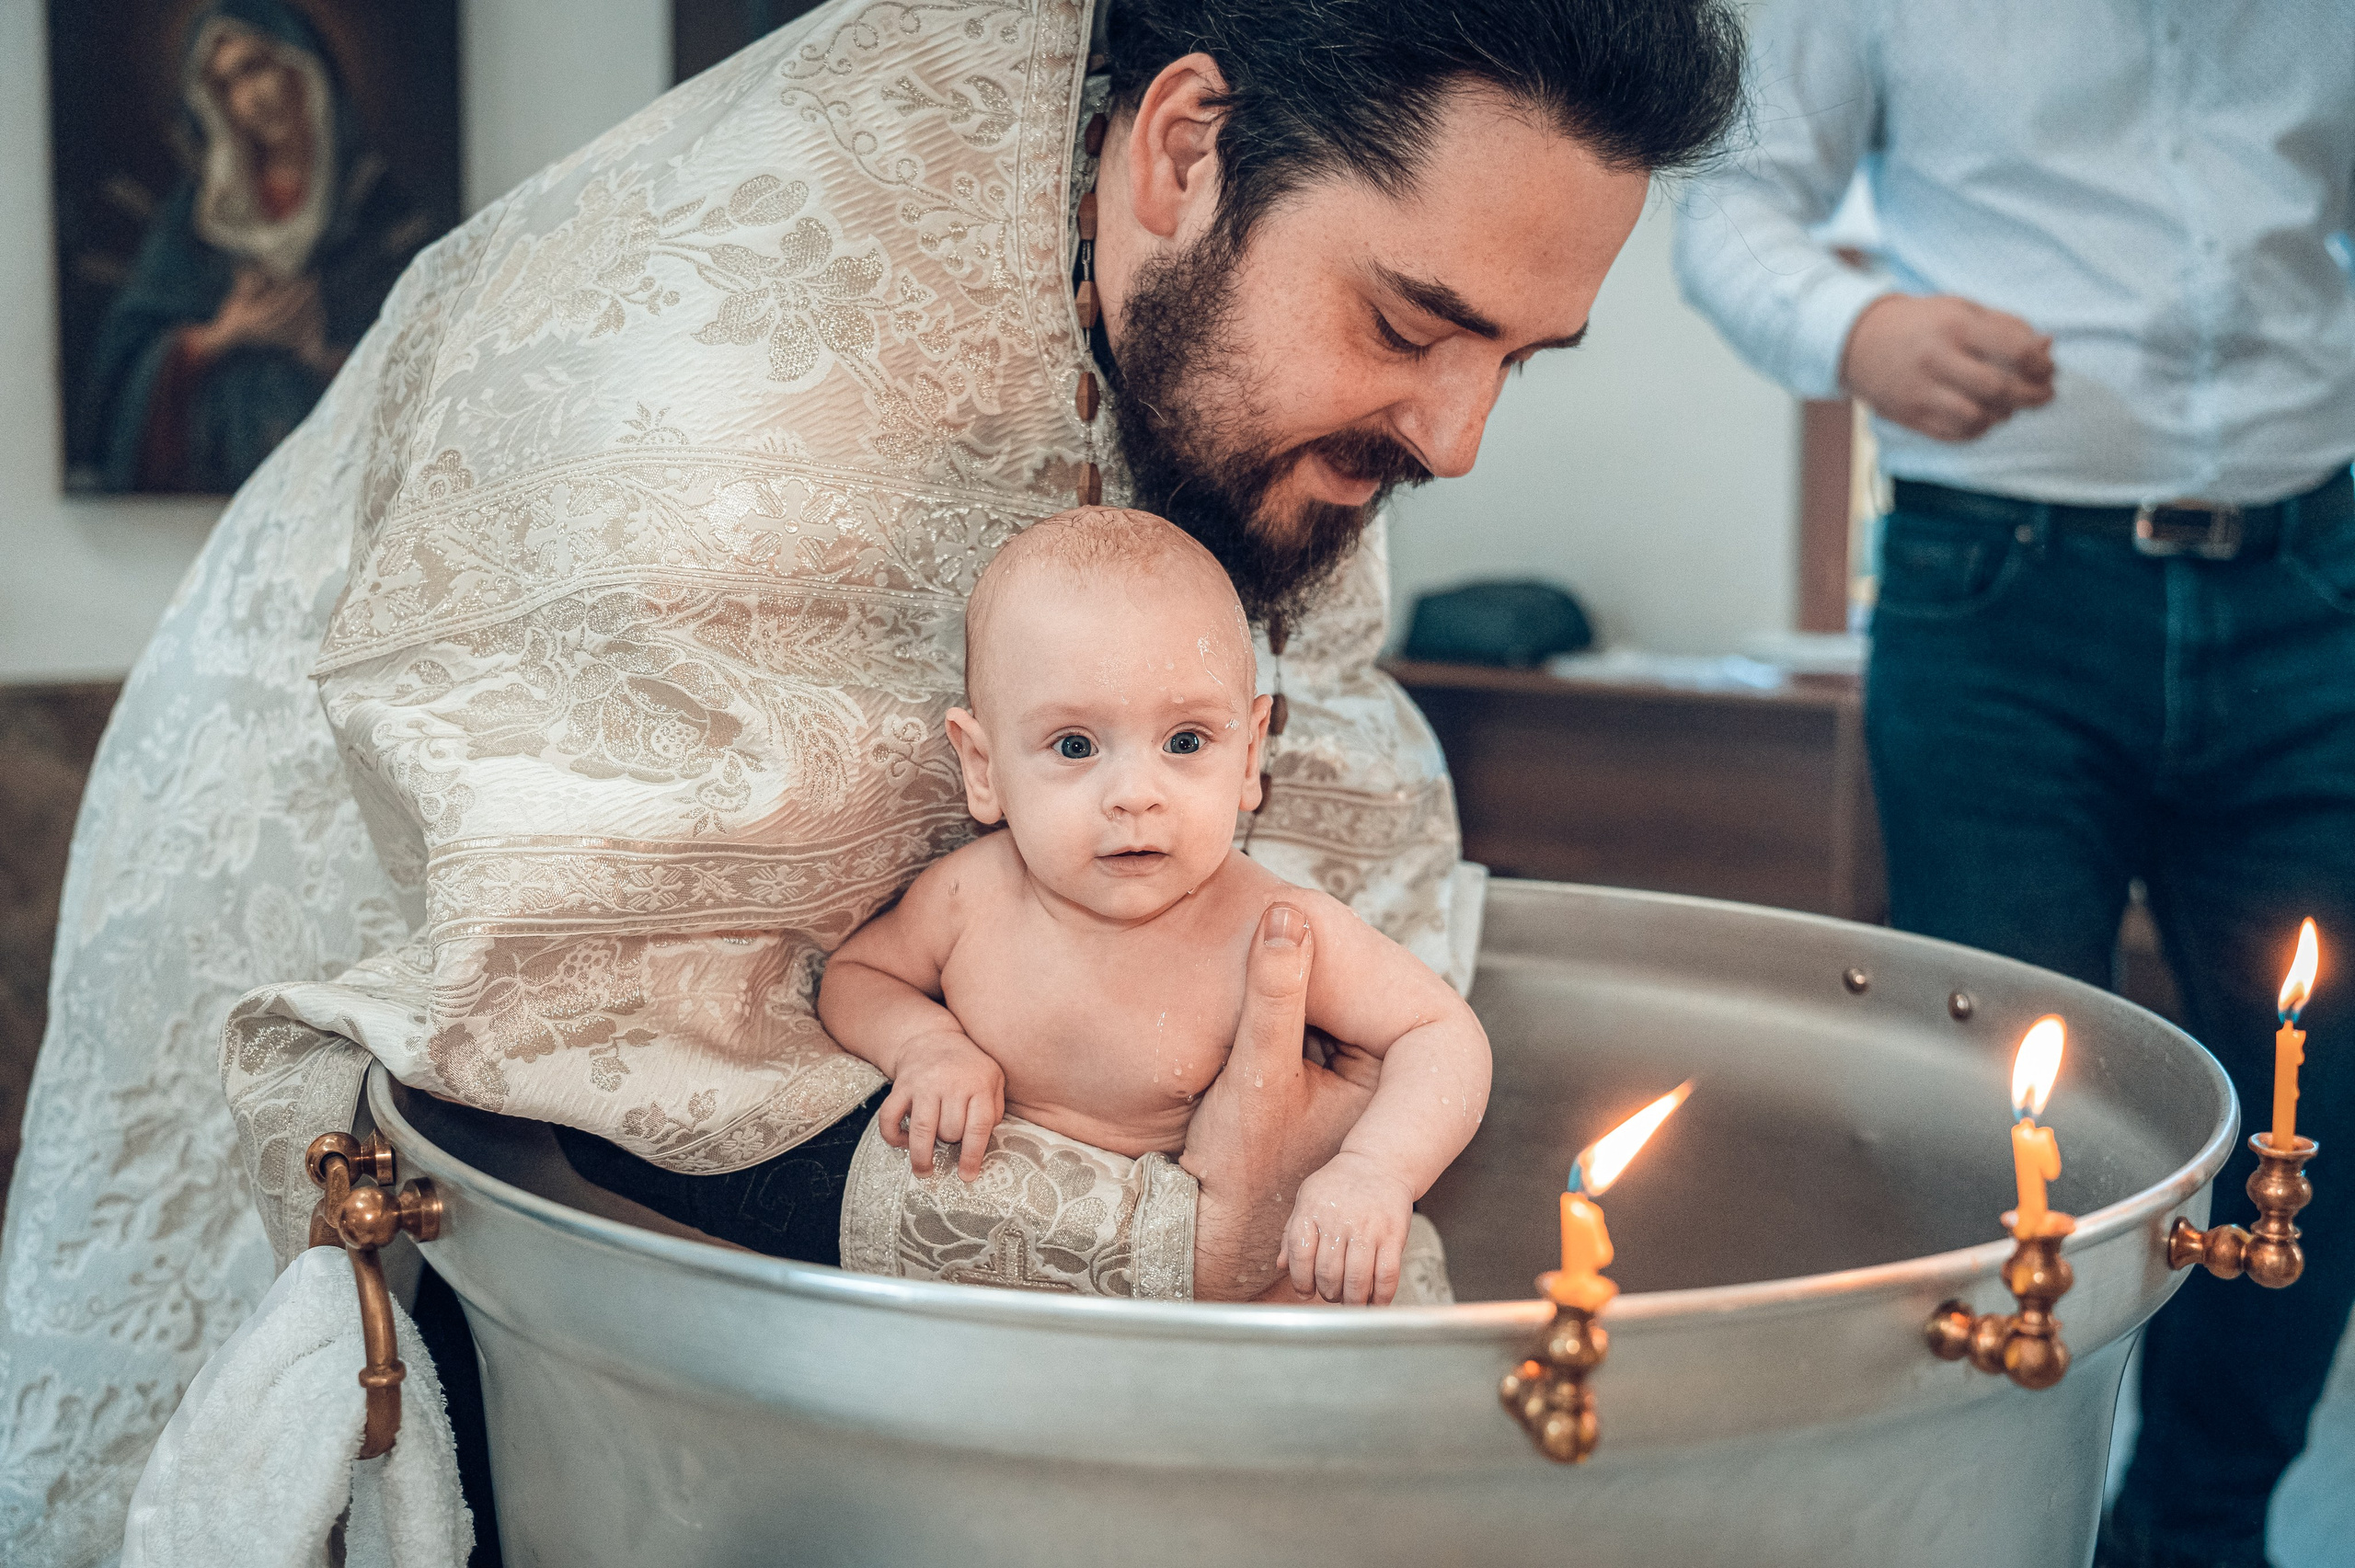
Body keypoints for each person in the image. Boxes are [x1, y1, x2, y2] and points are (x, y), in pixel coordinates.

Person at [0, 1, 1743, 1557]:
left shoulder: (1222, 320)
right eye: (1410, 322)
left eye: (1512, 357)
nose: (1457, 440)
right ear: (1185, 145)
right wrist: (1177, 1229)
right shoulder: (702, 416)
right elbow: (595, 1040)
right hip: (387, 917)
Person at [1672, 6, 2355, 1565]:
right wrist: (1858, 335)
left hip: (2316, 576)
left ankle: (2200, 1536)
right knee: (1995, 1128)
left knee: (2325, 1119)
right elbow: (1731, 203)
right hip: (1998, 595)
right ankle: (1989, 1521)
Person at [817, 508, 1491, 1305]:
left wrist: (1375, 1168)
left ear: (1250, 756)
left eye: (1185, 742)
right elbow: (855, 973)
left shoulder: (1273, 927)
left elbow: (1442, 1033)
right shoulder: (969, 897)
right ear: (983, 768)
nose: (1136, 796)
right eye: (1075, 746)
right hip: (1026, 1291)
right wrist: (925, 1045)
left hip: (1245, 1306)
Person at [73, 0, 436, 494]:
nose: (250, 98)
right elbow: (121, 361)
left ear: (301, 64)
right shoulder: (194, 221)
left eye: (256, 67)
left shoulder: (379, 211)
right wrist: (217, 336)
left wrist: (326, 354)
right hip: (210, 490)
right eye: (226, 84)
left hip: (342, 495)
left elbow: (442, 375)